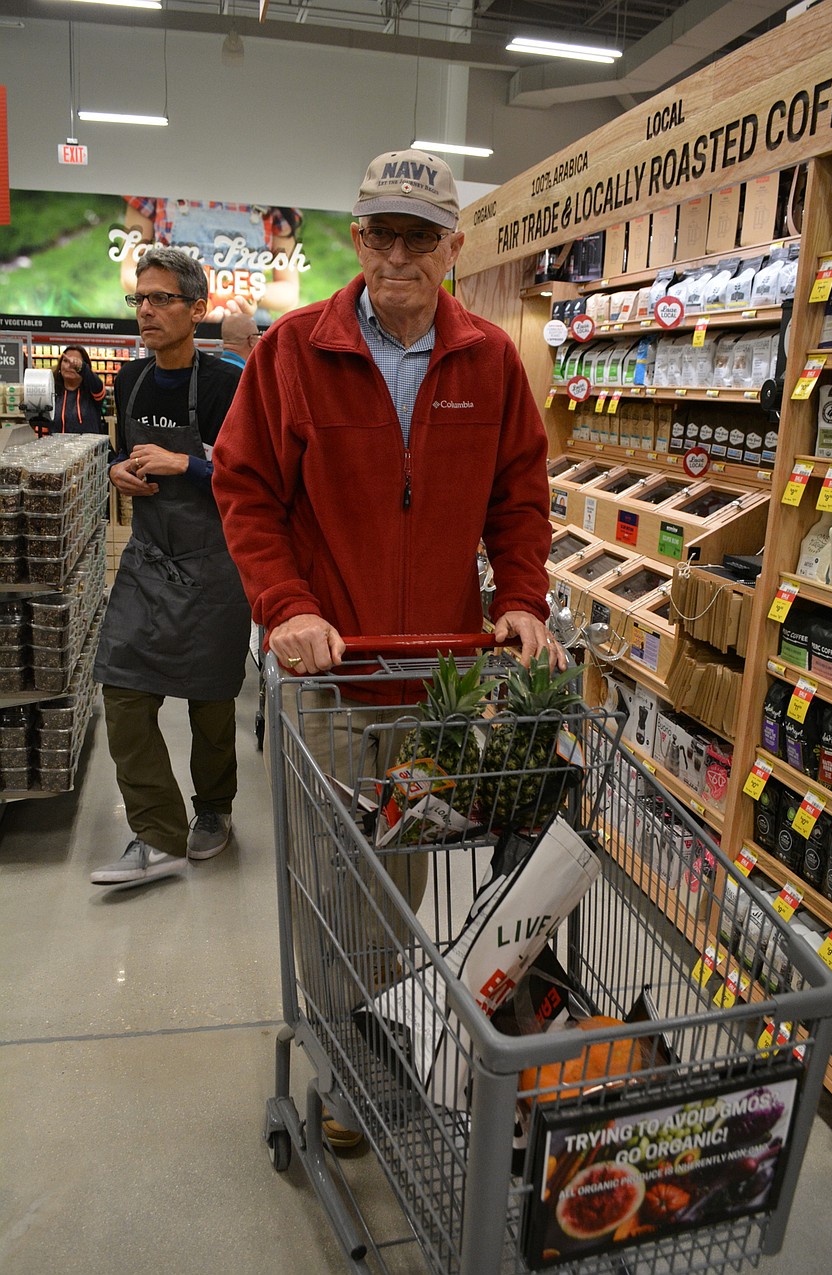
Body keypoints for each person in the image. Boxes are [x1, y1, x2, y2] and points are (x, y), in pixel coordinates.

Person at [212, 148, 564, 1146]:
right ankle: (344, 1063)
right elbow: (244, 492)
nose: (398, 254)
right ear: (356, 237)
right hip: (328, 678)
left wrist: (524, 598)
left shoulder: (489, 360)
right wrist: (284, 605)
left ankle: (371, 1036)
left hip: (434, 680)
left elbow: (519, 497)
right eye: (381, 233)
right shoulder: (290, 353)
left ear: (453, 246)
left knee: (394, 876)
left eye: (420, 235)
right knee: (333, 881)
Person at [91, 246, 251, 889]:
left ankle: (214, 810)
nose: (147, 312)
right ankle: (156, 831)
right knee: (123, 687)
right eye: (140, 299)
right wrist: (118, 470)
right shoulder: (129, 381)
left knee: (211, 702)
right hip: (149, 559)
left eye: (162, 299)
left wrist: (187, 464)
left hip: (216, 564)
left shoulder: (227, 385)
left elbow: (257, 478)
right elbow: (126, 454)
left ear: (198, 309)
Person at [119, 199, 304, 323]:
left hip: (247, 329)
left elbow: (288, 291)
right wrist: (181, 297)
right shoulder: (155, 194)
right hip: (174, 320)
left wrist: (245, 294)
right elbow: (129, 273)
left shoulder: (274, 201)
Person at [51, 346, 106, 434]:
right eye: (65, 361)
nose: (70, 365)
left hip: (88, 446)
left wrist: (81, 368)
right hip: (57, 446)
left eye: (75, 362)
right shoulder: (52, 391)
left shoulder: (92, 389)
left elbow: (99, 387)